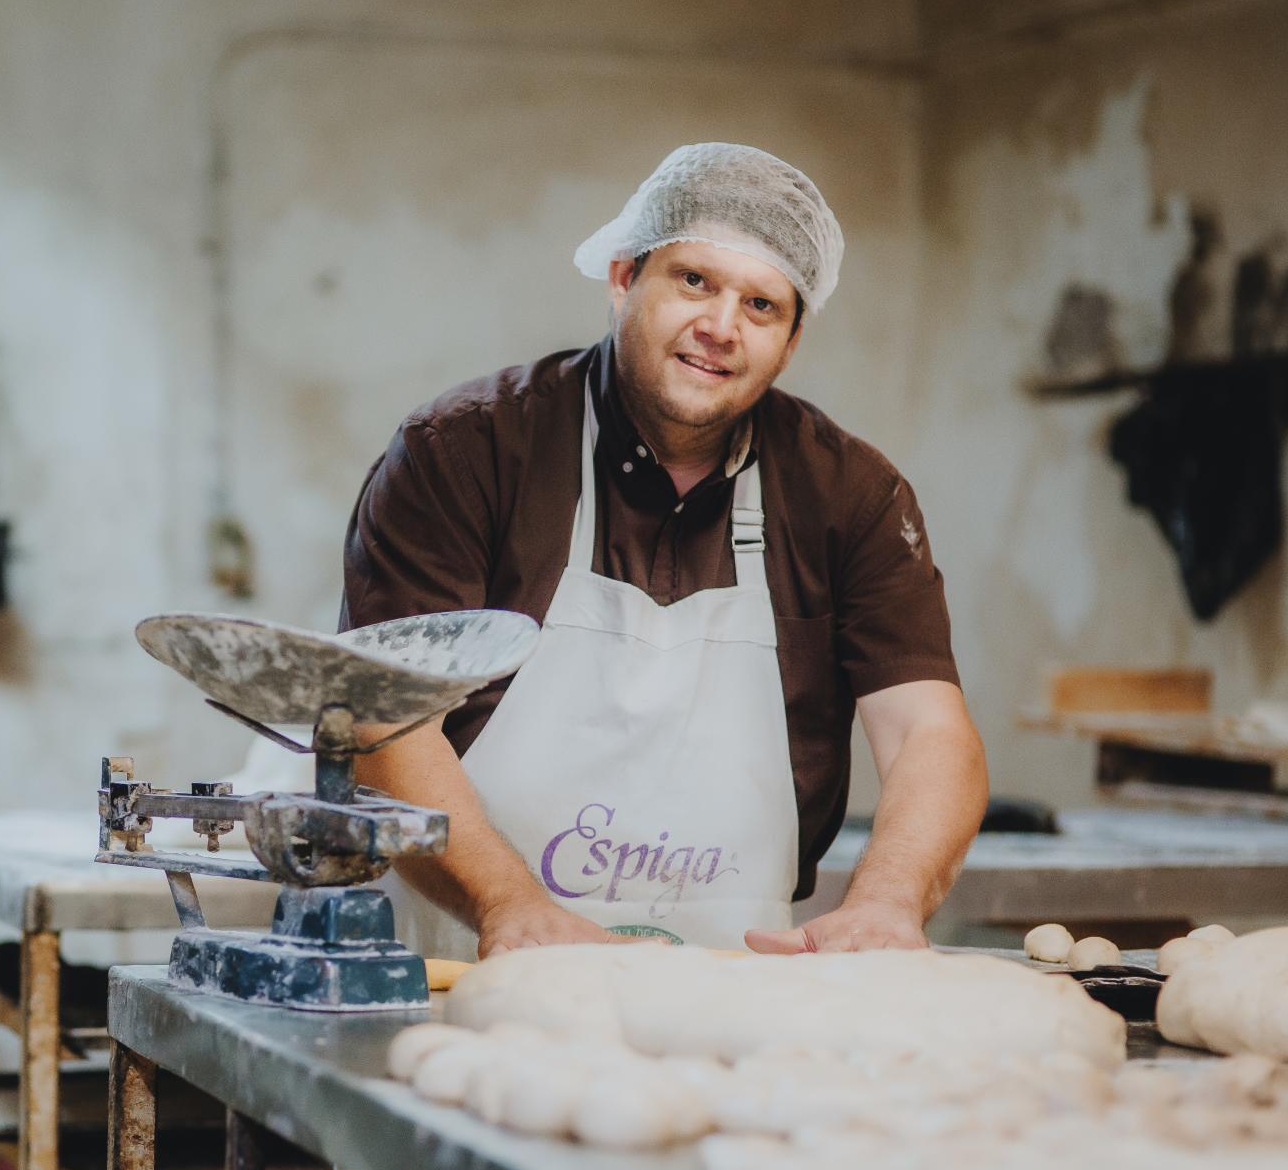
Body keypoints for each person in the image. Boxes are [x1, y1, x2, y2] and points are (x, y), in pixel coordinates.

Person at [342, 143, 988, 961]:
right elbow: (385, 722)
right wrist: (507, 905)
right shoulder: (465, 453)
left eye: (761, 305)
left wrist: (889, 902)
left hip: (731, 980)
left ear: (790, 342)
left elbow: (929, 733)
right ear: (622, 278)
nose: (720, 327)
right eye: (694, 281)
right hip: (470, 957)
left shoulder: (849, 495)